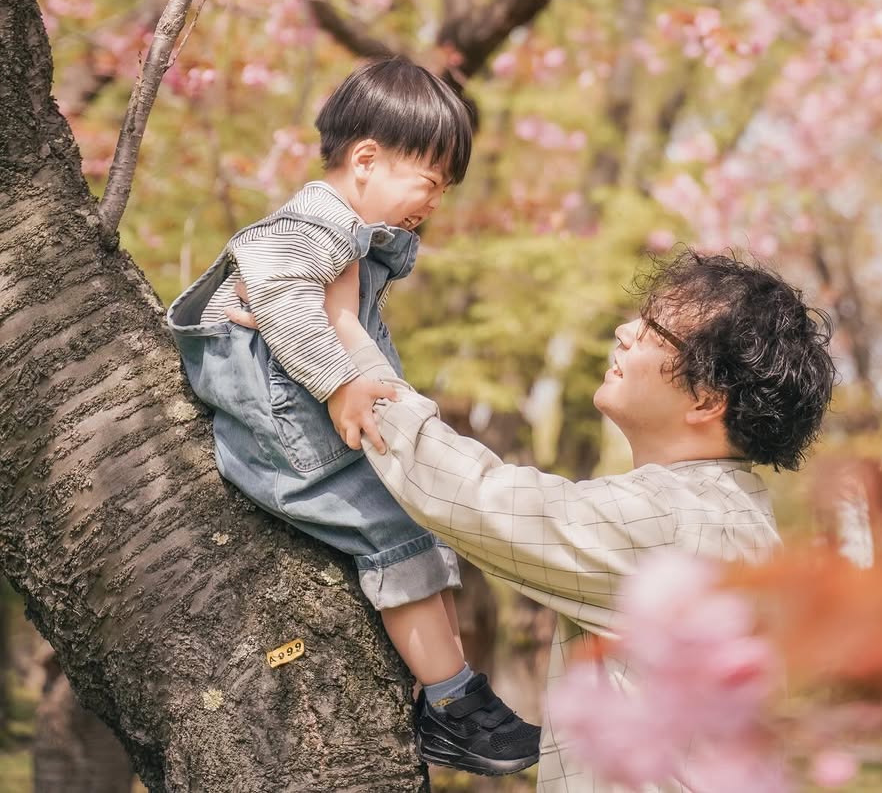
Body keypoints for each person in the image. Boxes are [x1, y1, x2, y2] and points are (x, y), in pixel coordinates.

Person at [231, 245, 836, 791]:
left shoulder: (686, 525)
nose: (626, 332)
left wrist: (341, 352)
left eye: (656, 332)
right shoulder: (724, 515)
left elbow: (480, 500)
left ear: (707, 400)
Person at [166, 57, 540, 777]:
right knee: (396, 534)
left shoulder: (343, 235)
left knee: (414, 524)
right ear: (366, 159)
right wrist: (340, 385)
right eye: (427, 183)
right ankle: (455, 704)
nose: (431, 204)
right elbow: (280, 298)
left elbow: (343, 325)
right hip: (286, 431)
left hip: (292, 417)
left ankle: (451, 688)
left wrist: (391, 402)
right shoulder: (311, 223)